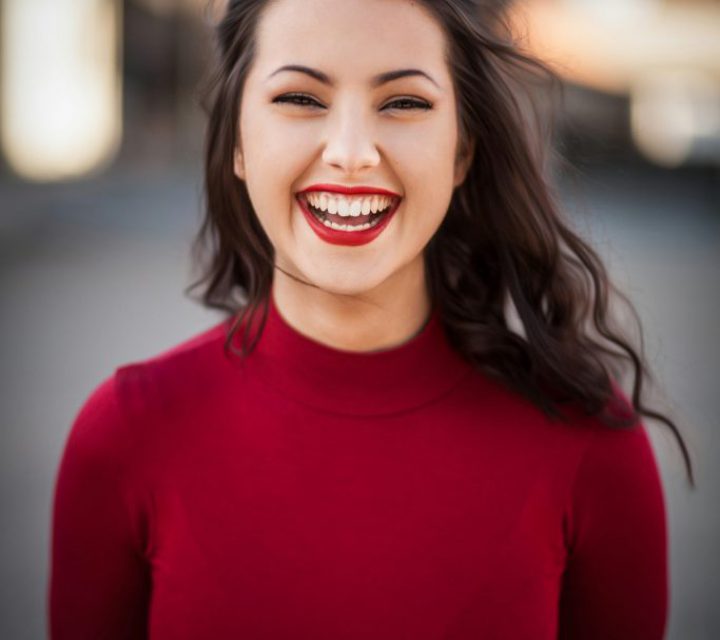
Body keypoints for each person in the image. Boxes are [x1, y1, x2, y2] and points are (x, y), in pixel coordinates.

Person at [49, 0, 694, 638]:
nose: (352, 153)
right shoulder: (125, 439)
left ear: (462, 150)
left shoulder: (592, 446)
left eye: (404, 103)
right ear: (237, 143)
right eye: (300, 98)